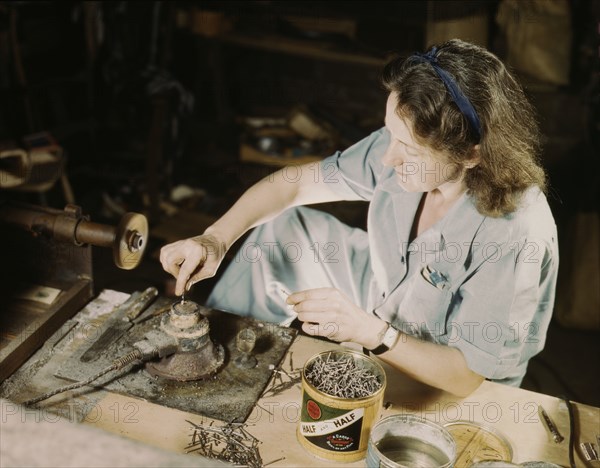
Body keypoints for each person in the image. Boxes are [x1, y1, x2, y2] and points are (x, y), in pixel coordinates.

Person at [160, 39, 558, 397]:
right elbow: (294, 185)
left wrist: (369, 331)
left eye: (410, 151)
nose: (387, 158)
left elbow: (468, 376)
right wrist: (215, 238)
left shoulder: (514, 232)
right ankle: (226, 356)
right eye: (390, 135)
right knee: (283, 232)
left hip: (447, 371)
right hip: (388, 295)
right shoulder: (404, 142)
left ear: (472, 154)